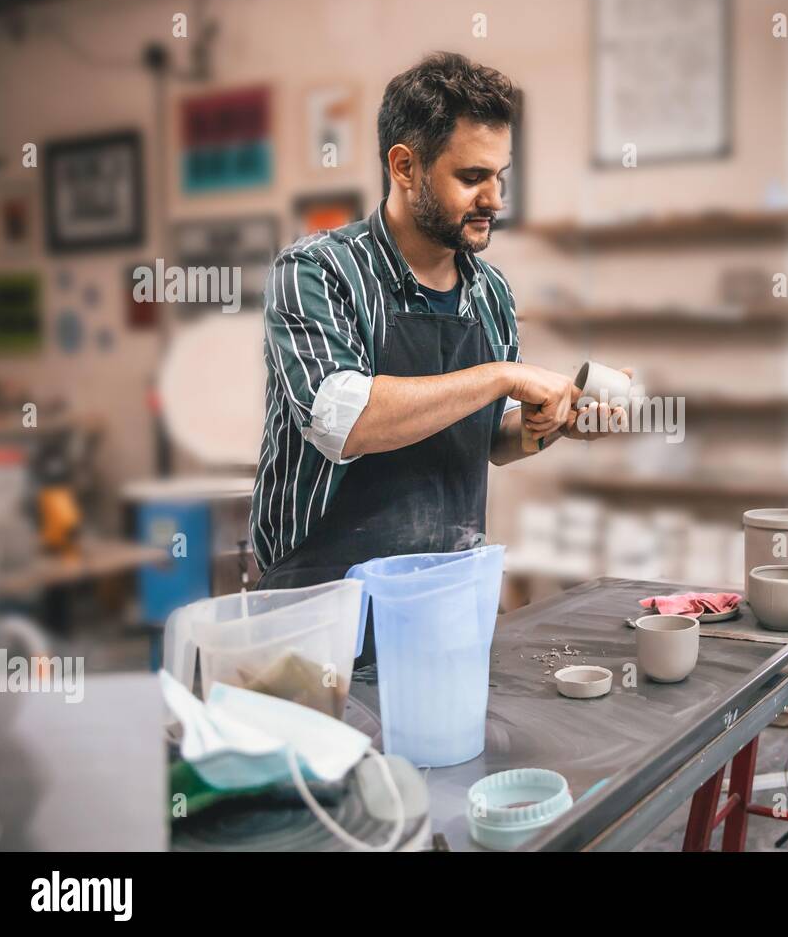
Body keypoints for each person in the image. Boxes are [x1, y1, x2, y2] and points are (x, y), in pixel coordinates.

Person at [250, 52, 622, 644]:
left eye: (500, 177)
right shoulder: (317, 271)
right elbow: (340, 421)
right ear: (405, 166)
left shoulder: (491, 292)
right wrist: (503, 375)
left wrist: (548, 427)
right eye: (472, 178)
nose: (494, 200)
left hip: (441, 602)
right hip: (319, 609)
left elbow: (488, 441)